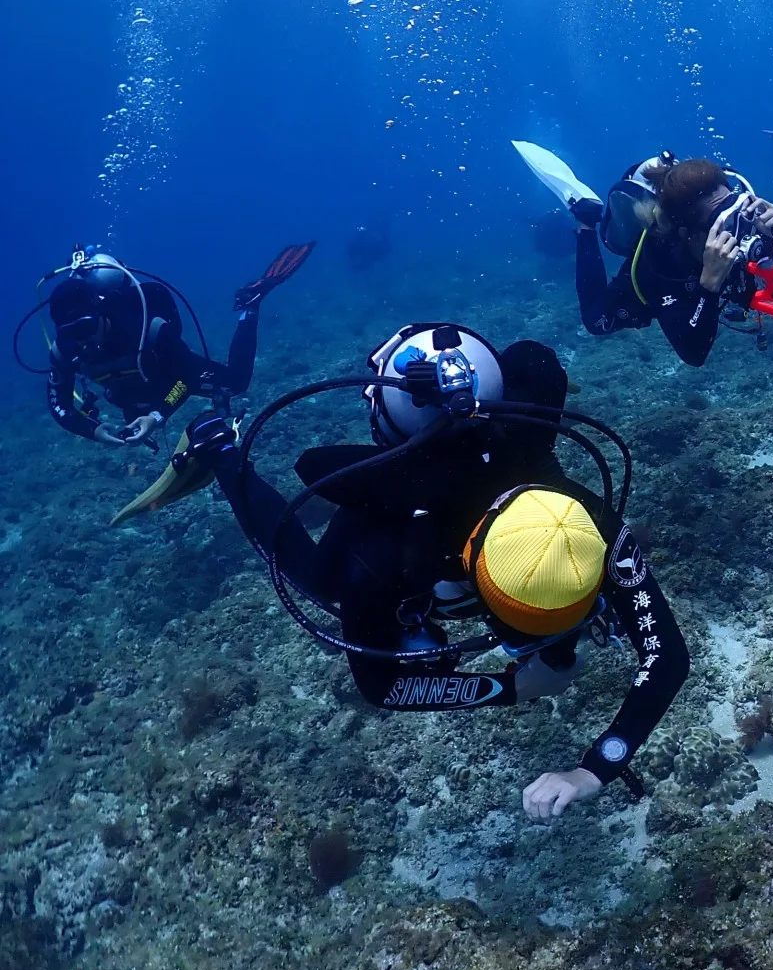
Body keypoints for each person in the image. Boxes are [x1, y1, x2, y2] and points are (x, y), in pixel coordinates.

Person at [177, 324, 689, 820]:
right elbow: (382, 687)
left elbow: (666, 656)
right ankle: (221, 451)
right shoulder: (380, 554)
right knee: (320, 581)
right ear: (472, 567)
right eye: (512, 617)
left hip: (489, 427)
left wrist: (593, 771)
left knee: (534, 368)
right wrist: (508, 688)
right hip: (407, 495)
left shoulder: (587, 519)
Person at [41, 243, 312, 448]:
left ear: (101, 312)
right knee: (135, 409)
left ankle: (250, 306)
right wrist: (94, 431)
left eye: (86, 327)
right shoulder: (65, 350)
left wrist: (157, 416)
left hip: (170, 370)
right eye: (71, 332)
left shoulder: (149, 330)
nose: (83, 339)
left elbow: (185, 380)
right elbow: (60, 406)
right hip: (132, 385)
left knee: (237, 382)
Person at [571, 156, 773, 366]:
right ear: (687, 233)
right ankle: (586, 224)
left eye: (737, 212)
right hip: (669, 292)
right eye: (722, 224)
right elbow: (693, 354)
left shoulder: (749, 231)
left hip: (700, 286)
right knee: (597, 321)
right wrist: (709, 285)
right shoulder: (661, 264)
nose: (738, 232)